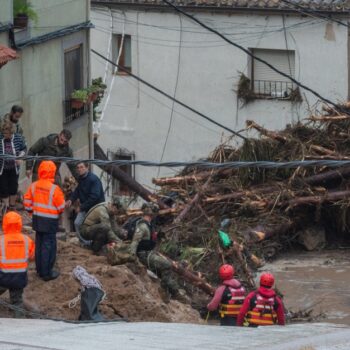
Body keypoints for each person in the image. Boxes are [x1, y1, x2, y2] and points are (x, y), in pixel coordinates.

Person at [129, 203, 187, 302]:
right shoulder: (142, 226)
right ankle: (165, 290)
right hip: (143, 255)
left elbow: (149, 240)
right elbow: (135, 242)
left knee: (165, 270)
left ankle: (173, 292)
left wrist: (158, 236)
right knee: (167, 265)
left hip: (149, 253)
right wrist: (133, 258)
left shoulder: (149, 225)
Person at [23, 161, 65, 281]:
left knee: (39, 244)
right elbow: (61, 206)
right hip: (50, 221)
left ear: (40, 171)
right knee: (48, 246)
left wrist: (32, 211)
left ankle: (39, 270)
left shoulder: (34, 185)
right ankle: (46, 273)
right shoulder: (54, 189)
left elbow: (26, 202)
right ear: (53, 172)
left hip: (37, 219)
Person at [0, 211, 35, 317]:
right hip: (20, 277)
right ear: (20, 224)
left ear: (4, 224)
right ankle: (20, 320)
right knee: (17, 301)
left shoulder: (1, 240)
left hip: (3, 277)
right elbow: (32, 257)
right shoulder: (27, 240)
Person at [65, 162, 105, 237]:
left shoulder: (93, 179)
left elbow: (95, 196)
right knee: (77, 223)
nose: (79, 169)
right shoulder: (81, 178)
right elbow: (77, 190)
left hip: (95, 208)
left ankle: (90, 243)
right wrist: (71, 199)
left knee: (92, 226)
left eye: (82, 167)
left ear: (87, 168)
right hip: (85, 207)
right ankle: (84, 242)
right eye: (78, 167)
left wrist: (81, 207)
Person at [0, 120, 26, 214]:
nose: (4, 135)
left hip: (14, 168)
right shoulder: (0, 138)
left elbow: (24, 149)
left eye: (6, 133)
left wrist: (20, 158)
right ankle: (5, 208)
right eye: (3, 132)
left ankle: (12, 207)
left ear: (11, 132)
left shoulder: (18, 138)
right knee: (3, 188)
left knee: (13, 188)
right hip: (2, 169)